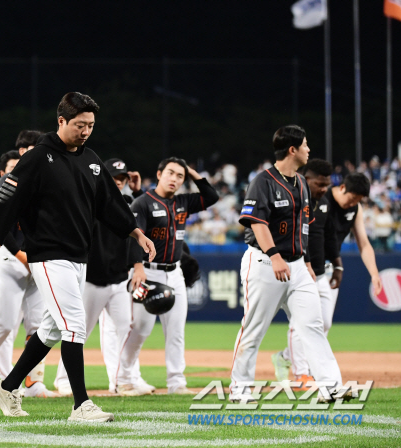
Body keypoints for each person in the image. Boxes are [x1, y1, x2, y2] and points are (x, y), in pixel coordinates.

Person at [0, 92, 156, 422]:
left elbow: (110, 204)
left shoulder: (90, 159)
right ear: (61, 121)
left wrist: (137, 233)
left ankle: (7, 386)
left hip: (78, 257)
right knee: (74, 326)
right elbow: (6, 204)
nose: (86, 131)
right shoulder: (37, 158)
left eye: (90, 125)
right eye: (79, 124)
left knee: (51, 330)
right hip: (47, 255)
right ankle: (81, 405)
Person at [232, 125, 351, 404]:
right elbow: (256, 223)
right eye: (306, 145)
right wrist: (274, 256)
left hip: (297, 266)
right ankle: (240, 389)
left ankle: (331, 386)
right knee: (253, 328)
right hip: (264, 263)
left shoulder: (301, 184)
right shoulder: (263, 181)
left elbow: (303, 229)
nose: (309, 149)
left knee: (312, 324)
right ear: (292, 149)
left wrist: (306, 261)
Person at [116, 157, 219, 396]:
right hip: (148, 271)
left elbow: (211, 196)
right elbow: (135, 235)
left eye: (179, 176)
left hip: (175, 273)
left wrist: (191, 172)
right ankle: (123, 378)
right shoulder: (143, 202)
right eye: (170, 173)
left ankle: (176, 383)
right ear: (159, 173)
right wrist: (138, 267)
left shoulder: (183, 202)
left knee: (176, 331)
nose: (174, 179)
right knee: (140, 328)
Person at [272, 169, 382, 384]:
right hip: (304, 267)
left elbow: (363, 243)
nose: (353, 203)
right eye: (352, 198)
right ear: (342, 188)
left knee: (324, 324)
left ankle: (285, 356)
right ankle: (301, 373)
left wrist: (374, 273)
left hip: (327, 268)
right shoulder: (320, 200)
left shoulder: (354, 209)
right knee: (301, 321)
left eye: (358, 200)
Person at [53, 158, 150, 396]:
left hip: (118, 280)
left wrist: (138, 265)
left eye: (122, 180)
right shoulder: (88, 202)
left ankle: (123, 380)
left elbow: (137, 233)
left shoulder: (128, 204)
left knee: (126, 329)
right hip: (91, 280)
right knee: (78, 331)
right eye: (114, 179)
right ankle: (63, 379)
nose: (118, 183)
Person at [0, 149, 57, 399]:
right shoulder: (2, 186)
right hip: (7, 259)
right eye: (12, 166)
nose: (17, 170)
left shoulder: (40, 187)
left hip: (35, 260)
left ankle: (32, 383)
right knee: (4, 324)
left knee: (38, 327)